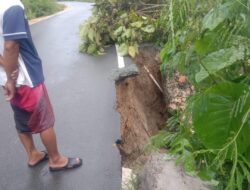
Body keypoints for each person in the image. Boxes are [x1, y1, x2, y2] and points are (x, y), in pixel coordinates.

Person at [0, 0, 82, 171]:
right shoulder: (10, 5)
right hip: (25, 78)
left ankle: (33, 155)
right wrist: (11, 78)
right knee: (44, 120)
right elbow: (10, 45)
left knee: (21, 118)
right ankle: (56, 160)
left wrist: (6, 76)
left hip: (7, 78)